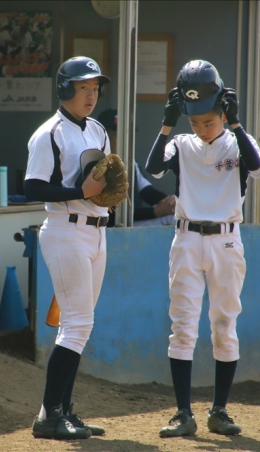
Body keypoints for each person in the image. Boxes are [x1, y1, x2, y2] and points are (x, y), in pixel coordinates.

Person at [145, 60, 260, 437]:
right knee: (182, 326)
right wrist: (167, 124)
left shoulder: (237, 142)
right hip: (187, 239)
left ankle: (219, 410)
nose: (201, 127)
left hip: (226, 239)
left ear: (222, 112)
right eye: (194, 121)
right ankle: (183, 413)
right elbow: (153, 168)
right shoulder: (182, 144)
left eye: (208, 120)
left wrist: (236, 123)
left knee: (224, 324)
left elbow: (256, 167)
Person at [25, 56, 111, 440]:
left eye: (95, 88)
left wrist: (107, 193)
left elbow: (101, 182)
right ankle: (49, 416)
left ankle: (63, 411)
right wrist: (80, 191)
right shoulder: (50, 133)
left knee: (79, 325)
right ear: (64, 89)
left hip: (96, 231)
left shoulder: (98, 129)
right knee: (77, 324)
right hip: (65, 230)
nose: (91, 95)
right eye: (83, 87)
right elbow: (33, 186)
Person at [96, 108, 176, 226]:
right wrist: (155, 211)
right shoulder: (97, 164)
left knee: (176, 217)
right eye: (117, 136)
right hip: (108, 227)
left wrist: (172, 203)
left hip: (132, 222)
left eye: (126, 137)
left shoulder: (128, 160)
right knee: (170, 219)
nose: (124, 142)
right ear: (102, 138)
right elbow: (113, 214)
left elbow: (146, 192)